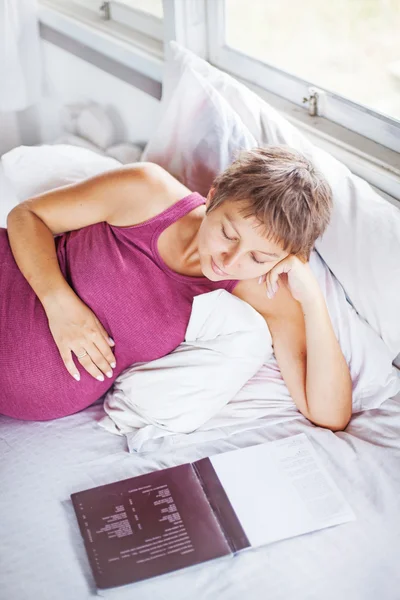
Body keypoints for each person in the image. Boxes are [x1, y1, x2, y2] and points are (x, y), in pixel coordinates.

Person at [1, 145, 352, 430]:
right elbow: (26, 216)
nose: (230, 260)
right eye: (228, 234)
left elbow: (329, 414)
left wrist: (312, 299)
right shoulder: (147, 191)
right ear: (213, 197)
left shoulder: (261, 289)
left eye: (259, 257)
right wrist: (59, 303)